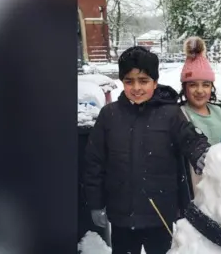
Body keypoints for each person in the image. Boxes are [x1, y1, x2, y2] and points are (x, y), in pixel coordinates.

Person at [84, 46, 210, 254]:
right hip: (122, 213)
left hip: (159, 212)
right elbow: (94, 162)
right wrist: (95, 203)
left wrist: (203, 154)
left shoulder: (170, 114)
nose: (136, 87)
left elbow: (191, 139)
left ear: (155, 82)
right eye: (129, 81)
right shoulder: (109, 115)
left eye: (143, 81)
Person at [177, 36, 221, 197]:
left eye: (205, 85)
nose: (200, 90)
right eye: (193, 84)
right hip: (196, 191)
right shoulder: (179, 114)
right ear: (185, 87)